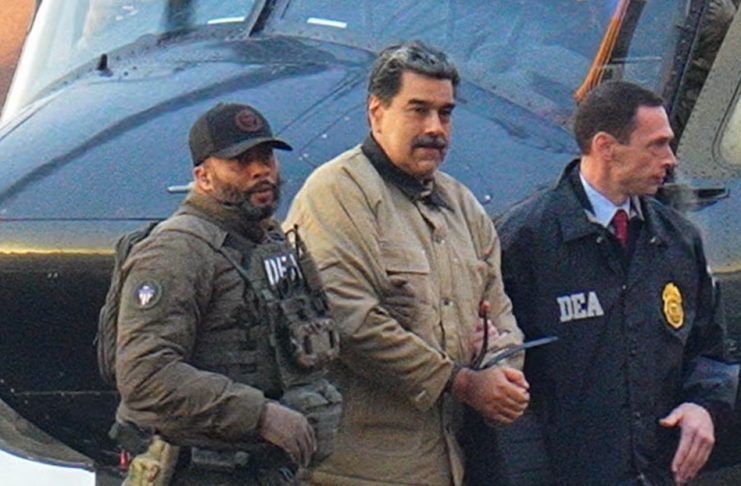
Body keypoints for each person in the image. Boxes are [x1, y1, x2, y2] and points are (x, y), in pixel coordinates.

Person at [283, 41, 530, 486]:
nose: (435, 128)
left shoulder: (462, 205)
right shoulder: (337, 194)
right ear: (376, 113)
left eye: (445, 113)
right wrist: (460, 382)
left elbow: (499, 313)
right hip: (359, 470)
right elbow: (347, 320)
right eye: (418, 110)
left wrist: (502, 372)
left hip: (449, 462)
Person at [495, 81, 739, 485]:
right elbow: (502, 378)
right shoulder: (526, 241)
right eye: (656, 145)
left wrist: (704, 405)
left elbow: (709, 350)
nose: (670, 159)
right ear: (606, 147)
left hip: (656, 473)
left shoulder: (678, 239)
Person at [113, 102, 341, 485]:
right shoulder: (177, 250)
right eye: (240, 162)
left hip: (264, 470)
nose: (260, 171)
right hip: (199, 471)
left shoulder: (269, 239)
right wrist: (260, 414)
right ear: (203, 177)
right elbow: (145, 375)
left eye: (266, 158)